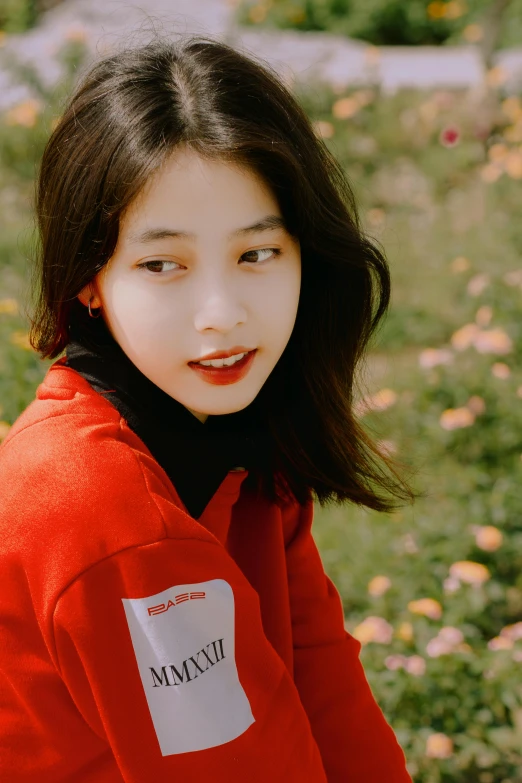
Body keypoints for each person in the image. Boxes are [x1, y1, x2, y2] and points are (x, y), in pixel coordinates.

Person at [0, 33, 419, 782]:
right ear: (87, 279)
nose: (221, 314)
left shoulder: (235, 441)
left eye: (256, 253)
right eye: (164, 265)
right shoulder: (98, 505)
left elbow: (335, 709)